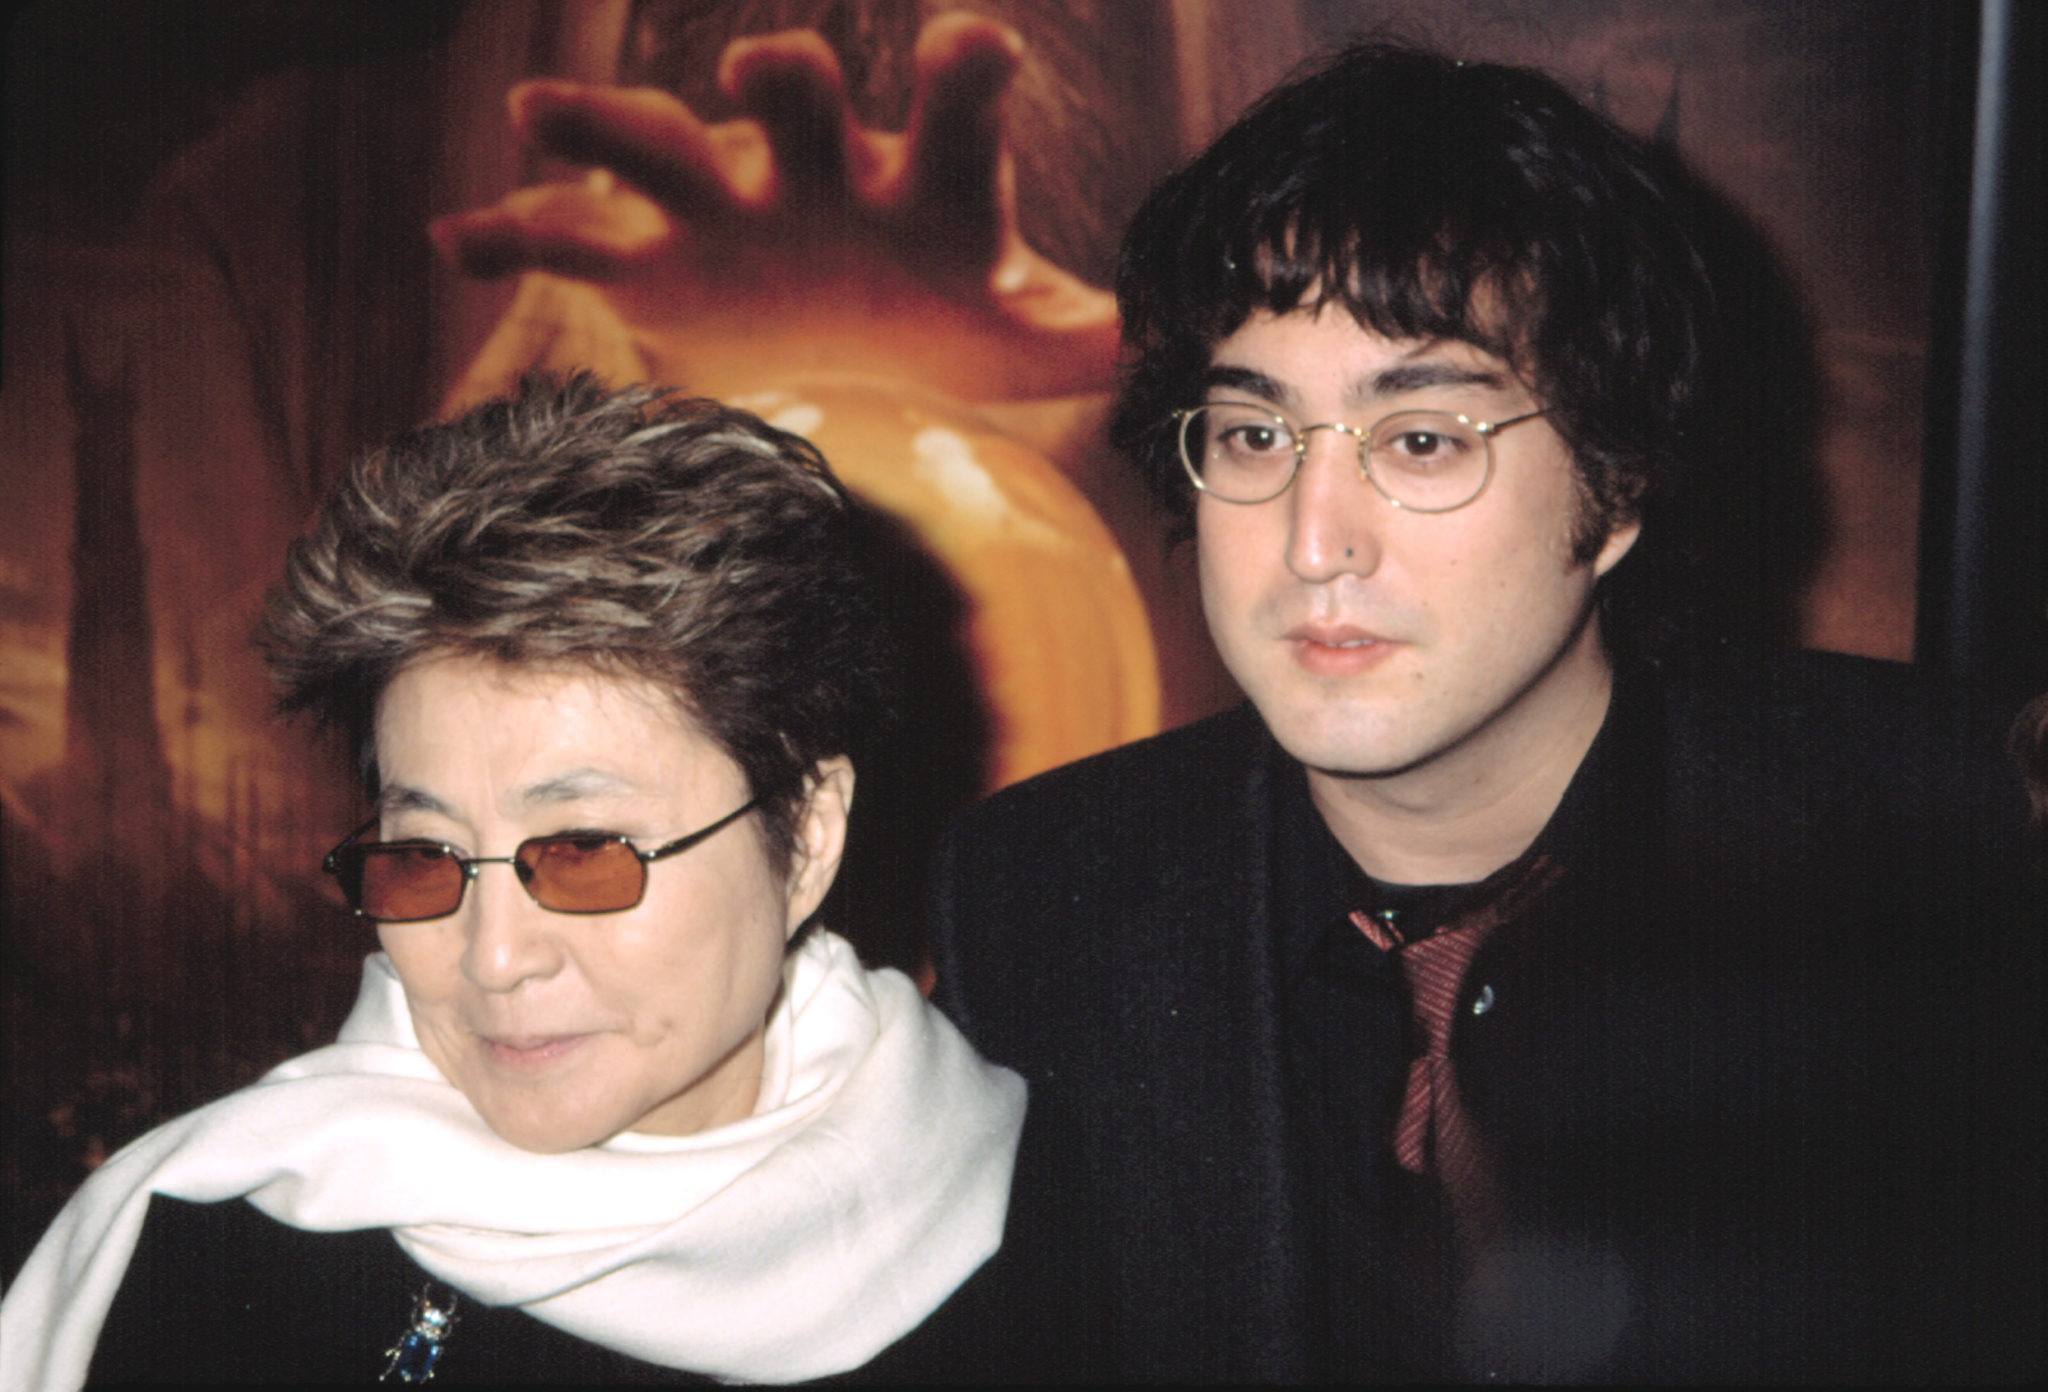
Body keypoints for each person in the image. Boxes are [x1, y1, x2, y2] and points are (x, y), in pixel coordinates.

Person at [927, 42, 2040, 1382]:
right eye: (1253, 435)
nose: (1312, 542)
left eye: (1423, 440)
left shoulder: (1953, 841)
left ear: (1617, 485)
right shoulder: (1037, 891)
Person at [1, 374, 1025, 1387]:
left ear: (801, 837)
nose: (492, 958)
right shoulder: (208, 1260)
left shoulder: (1037, 1241)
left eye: (582, 850)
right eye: (424, 857)